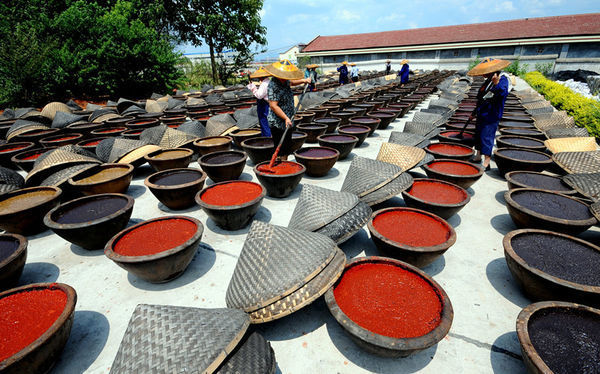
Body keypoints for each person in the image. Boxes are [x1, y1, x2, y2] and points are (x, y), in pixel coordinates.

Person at [467, 58, 511, 171]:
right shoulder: (488, 81)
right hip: (482, 112)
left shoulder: (502, 79)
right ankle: (478, 156)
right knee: (478, 134)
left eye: (484, 72)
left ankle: (487, 162)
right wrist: (473, 113)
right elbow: (481, 98)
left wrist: (496, 84)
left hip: (492, 114)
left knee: (487, 136)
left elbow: (503, 93)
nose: (483, 75)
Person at [264, 59, 311, 161]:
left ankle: (285, 162)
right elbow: (273, 106)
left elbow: (292, 82)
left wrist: (304, 80)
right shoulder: (273, 85)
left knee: (287, 145)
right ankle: (281, 164)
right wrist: (285, 118)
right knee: (280, 146)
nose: (286, 79)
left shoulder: (284, 81)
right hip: (277, 121)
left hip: (288, 118)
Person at [247, 67, 272, 137]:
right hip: (268, 103)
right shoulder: (269, 82)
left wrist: (253, 88)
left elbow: (259, 95)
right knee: (267, 122)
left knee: (264, 122)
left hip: (264, 104)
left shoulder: (264, 84)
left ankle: (267, 138)